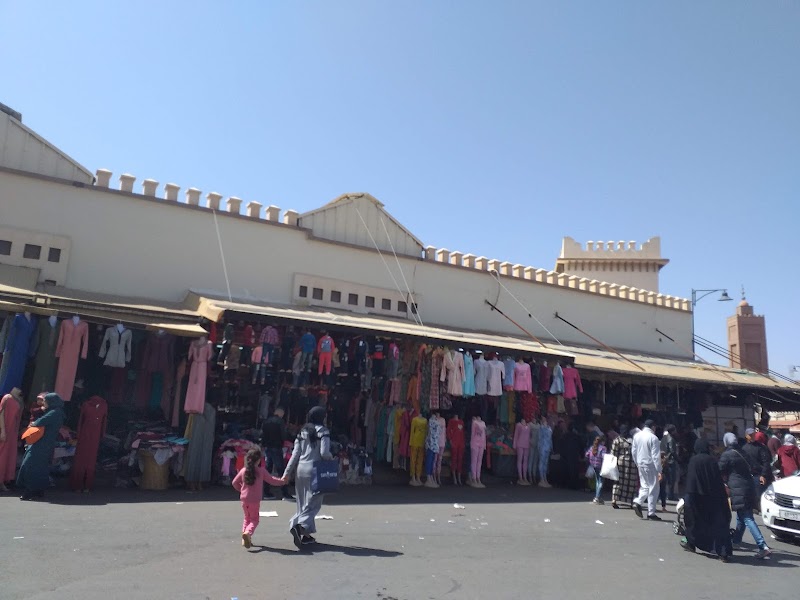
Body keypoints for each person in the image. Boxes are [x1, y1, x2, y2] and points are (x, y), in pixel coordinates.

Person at [283, 406, 333, 549]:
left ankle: (306, 535)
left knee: (302, 503)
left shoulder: (302, 431)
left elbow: (295, 454)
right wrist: (332, 459)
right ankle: (298, 526)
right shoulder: (323, 431)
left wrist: (287, 473)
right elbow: (324, 453)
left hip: (301, 469)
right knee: (313, 504)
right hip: (315, 470)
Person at [718, 433, 771, 559]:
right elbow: (754, 467)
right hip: (749, 486)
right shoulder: (743, 452)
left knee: (747, 518)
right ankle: (736, 541)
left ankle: (763, 546)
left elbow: (719, 469)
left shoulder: (727, 455)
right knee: (741, 516)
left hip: (738, 489)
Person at [680, 439, 733, 562]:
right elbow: (717, 480)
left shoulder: (694, 460)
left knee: (694, 521)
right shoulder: (712, 460)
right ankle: (723, 552)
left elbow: (691, 480)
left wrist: (689, 495)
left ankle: (691, 543)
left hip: (696, 496)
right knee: (718, 524)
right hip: (713, 497)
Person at [232, 447, 287, 549]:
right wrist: (282, 481)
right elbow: (272, 480)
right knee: (254, 520)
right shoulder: (261, 471)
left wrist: (241, 490)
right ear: (258, 460)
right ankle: (248, 533)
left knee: (247, 518)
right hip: (254, 500)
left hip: (244, 499)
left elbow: (234, 482)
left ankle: (245, 537)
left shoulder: (243, 470)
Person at [16, 393, 65, 501]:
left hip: (41, 443)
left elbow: (39, 422)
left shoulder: (53, 413)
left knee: (30, 464)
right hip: (46, 443)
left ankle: (29, 490)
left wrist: (34, 423)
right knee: (41, 466)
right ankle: (39, 490)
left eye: (45, 401)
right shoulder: (57, 412)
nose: (44, 403)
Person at [261, 407, 295, 500]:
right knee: (281, 470)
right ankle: (285, 493)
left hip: (268, 447)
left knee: (268, 470)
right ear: (281, 414)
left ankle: (266, 492)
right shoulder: (280, 422)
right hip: (277, 447)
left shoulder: (266, 421)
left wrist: (263, 444)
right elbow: (283, 434)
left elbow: (263, 434)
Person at [632, 420, 662, 521]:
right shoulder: (653, 438)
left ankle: (638, 502)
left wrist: (637, 463)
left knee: (644, 486)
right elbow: (655, 456)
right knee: (653, 488)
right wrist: (659, 470)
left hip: (640, 463)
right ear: (653, 427)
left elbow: (634, 452)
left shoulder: (637, 436)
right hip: (650, 465)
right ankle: (651, 512)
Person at [0, 387, 24, 491]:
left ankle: (3, 480)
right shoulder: (7, 397)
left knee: (8, 456)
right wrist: (3, 431)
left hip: (12, 432)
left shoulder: (18, 399)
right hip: (6, 429)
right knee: (2, 455)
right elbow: (1, 414)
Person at [610, 426, 639, 509]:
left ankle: (614, 500)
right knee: (631, 483)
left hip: (620, 463)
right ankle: (631, 501)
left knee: (618, 481)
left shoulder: (617, 440)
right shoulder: (632, 440)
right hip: (632, 464)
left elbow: (613, 453)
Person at [742, 428, 772, 499]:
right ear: (746, 436)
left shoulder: (761, 447)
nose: (752, 436)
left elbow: (766, 462)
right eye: (750, 435)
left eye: (753, 435)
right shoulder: (744, 448)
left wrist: (763, 475)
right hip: (749, 476)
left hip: (759, 476)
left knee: (760, 497)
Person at [585, 435, 606, 504]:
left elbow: (587, 454)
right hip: (601, 466)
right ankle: (597, 497)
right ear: (602, 441)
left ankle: (597, 497)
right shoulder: (603, 448)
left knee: (597, 481)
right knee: (601, 482)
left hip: (593, 466)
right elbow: (604, 456)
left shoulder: (592, 447)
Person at [660, 424, 678, 502]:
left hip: (663, 461)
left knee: (665, 479)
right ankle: (671, 495)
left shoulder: (663, 438)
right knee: (671, 479)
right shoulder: (671, 439)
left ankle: (664, 494)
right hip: (670, 461)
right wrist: (678, 459)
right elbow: (672, 451)